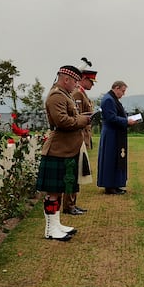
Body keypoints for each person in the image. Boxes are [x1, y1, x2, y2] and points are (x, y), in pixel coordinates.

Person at [35, 65, 92, 241]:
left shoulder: (64, 94)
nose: (76, 85)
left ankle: (56, 224)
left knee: (59, 190)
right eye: (75, 81)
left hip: (66, 149)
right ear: (66, 79)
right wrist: (83, 119)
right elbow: (61, 121)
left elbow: (69, 118)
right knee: (53, 192)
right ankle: (50, 229)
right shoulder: (56, 96)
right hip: (57, 149)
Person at [61, 68, 97, 216]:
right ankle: (69, 205)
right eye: (90, 81)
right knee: (72, 173)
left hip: (81, 136)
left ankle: (72, 203)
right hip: (77, 136)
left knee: (77, 172)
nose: (92, 85)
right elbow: (76, 116)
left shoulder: (81, 93)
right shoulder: (77, 93)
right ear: (83, 79)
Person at [97, 80, 137, 194]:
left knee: (117, 159)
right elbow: (111, 118)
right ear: (117, 88)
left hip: (115, 133)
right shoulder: (109, 100)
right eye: (122, 91)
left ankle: (116, 183)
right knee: (110, 159)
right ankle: (109, 186)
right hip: (111, 134)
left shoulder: (113, 99)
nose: (123, 94)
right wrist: (127, 121)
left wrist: (127, 119)